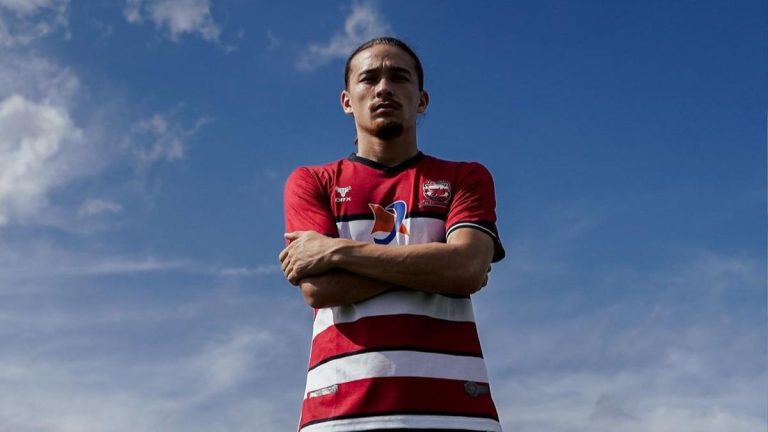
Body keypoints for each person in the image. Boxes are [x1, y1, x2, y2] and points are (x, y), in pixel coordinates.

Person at [279, 37, 506, 432]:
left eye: (399, 77)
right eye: (369, 78)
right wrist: (439, 264)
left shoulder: (464, 177)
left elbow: (466, 269)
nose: (384, 87)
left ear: (422, 100)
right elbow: (320, 288)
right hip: (338, 416)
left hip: (457, 414)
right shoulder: (312, 181)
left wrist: (335, 251)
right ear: (347, 101)